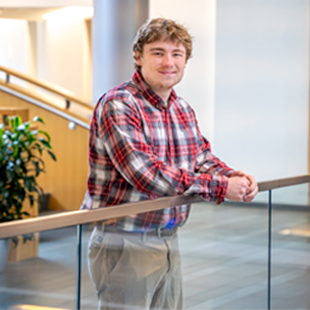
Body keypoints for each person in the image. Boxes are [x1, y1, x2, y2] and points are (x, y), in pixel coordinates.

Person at [81, 18, 258, 310]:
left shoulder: (182, 107)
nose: (169, 62)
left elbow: (200, 158)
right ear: (138, 57)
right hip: (124, 241)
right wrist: (221, 187)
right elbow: (145, 174)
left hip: (168, 237)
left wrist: (233, 176)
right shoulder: (119, 103)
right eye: (158, 52)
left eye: (177, 54)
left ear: (186, 61)